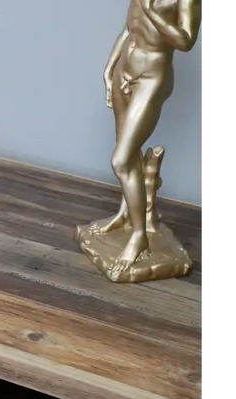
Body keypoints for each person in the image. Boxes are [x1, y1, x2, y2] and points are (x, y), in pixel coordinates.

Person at [89, 0, 203, 277]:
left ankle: (139, 236)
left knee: (121, 160)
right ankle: (125, 214)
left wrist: (153, 13)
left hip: (152, 78)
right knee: (130, 150)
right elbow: (129, 30)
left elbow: (186, 41)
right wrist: (109, 68)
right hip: (123, 73)